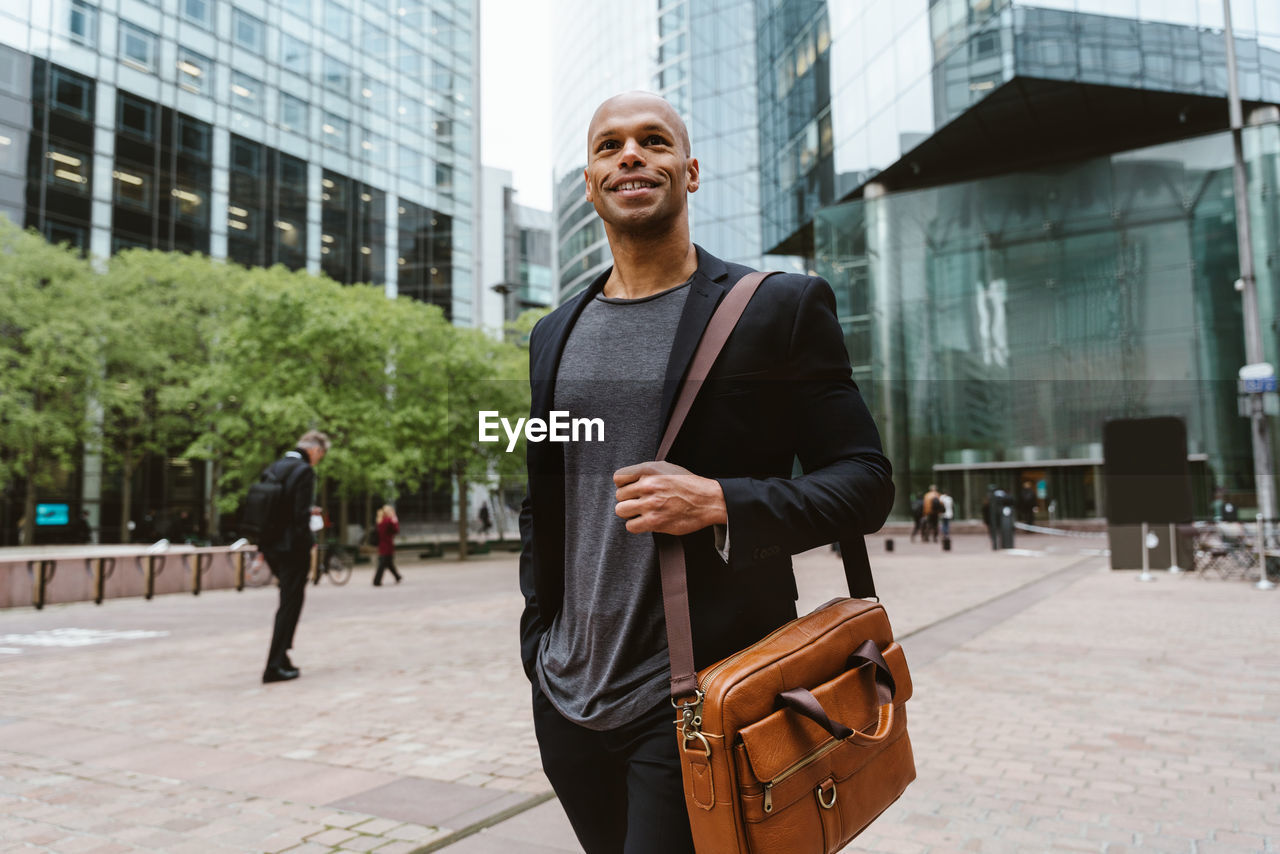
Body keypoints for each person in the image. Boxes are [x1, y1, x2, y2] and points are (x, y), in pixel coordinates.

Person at [517, 91, 893, 854]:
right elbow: (546, 500)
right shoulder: (552, 334)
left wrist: (721, 501)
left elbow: (866, 481)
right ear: (591, 183)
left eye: (653, 142)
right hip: (567, 696)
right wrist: (538, 643)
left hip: (702, 692)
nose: (630, 155)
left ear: (688, 172)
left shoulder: (778, 308)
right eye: (609, 146)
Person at [258, 429, 330, 684]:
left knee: (287, 601)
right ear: (315, 450)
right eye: (321, 455)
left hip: (271, 546)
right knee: (290, 603)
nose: (318, 460)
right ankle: (274, 664)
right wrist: (308, 543)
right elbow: (299, 517)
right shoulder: (304, 472)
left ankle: (283, 657)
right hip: (291, 548)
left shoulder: (276, 467)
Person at [373, 504, 402, 585]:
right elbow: (396, 530)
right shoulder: (388, 521)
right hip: (387, 545)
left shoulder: (381, 520)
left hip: (383, 544)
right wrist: (395, 521)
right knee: (383, 563)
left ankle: (397, 576)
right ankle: (377, 581)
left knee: (388, 562)